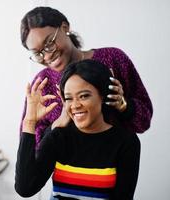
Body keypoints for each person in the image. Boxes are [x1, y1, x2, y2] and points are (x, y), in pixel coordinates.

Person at [19, 6, 153, 147]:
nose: (47, 55)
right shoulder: (42, 85)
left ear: (65, 28)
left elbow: (144, 122)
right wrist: (57, 124)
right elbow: (30, 151)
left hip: (116, 163)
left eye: (49, 43)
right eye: (37, 53)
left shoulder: (113, 59)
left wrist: (124, 105)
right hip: (66, 168)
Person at [15, 59, 141, 200]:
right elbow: (25, 188)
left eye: (84, 96)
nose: (75, 105)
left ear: (103, 95)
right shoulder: (58, 137)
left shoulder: (126, 142)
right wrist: (29, 122)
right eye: (69, 98)